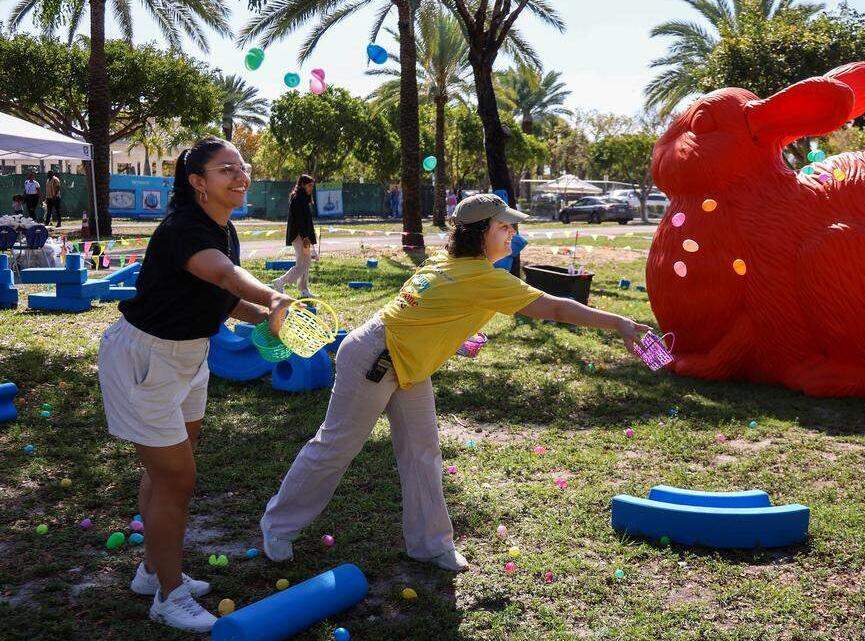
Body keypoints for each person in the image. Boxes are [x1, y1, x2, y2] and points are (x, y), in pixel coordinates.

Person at [260, 194, 650, 572]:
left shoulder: (448, 261)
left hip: (408, 362)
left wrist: (452, 338)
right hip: (374, 358)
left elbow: (426, 306)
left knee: (422, 452)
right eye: (503, 227)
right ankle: (277, 526)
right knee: (335, 447)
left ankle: (430, 545)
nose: (511, 234)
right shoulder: (479, 275)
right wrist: (619, 323)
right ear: (479, 232)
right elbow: (555, 306)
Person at [97, 136, 292, 633]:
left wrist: (266, 319)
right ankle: (168, 594)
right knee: (176, 479)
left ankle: (151, 570)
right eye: (228, 169)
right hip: (146, 358)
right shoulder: (186, 228)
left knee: (169, 471)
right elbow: (225, 277)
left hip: (190, 355)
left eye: (244, 167)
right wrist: (273, 297)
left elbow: (224, 299)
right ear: (198, 182)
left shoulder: (224, 229)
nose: (241, 176)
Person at [271, 174, 317, 298]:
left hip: (304, 236)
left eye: (312, 186)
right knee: (303, 264)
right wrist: (305, 237)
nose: (311, 188)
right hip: (300, 236)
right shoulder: (297, 199)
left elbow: (307, 221)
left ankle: (303, 290)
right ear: (302, 185)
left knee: (305, 263)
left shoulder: (304, 198)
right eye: (309, 185)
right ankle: (280, 281)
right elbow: (299, 221)